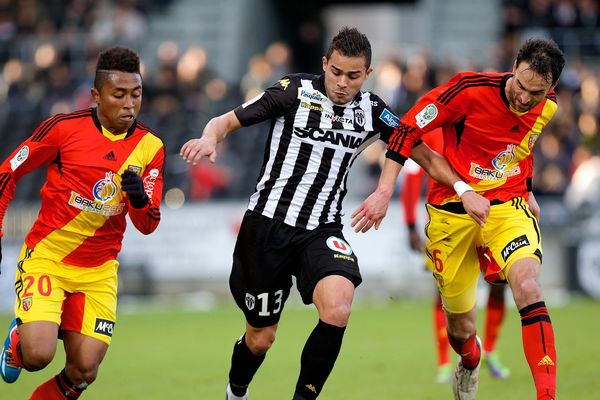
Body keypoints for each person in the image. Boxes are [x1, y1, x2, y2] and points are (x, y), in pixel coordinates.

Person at [180, 27, 488, 400]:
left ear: (367, 74)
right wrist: (209, 138)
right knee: (261, 339)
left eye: (353, 76)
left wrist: (464, 189)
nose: (342, 83)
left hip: (321, 228)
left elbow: (423, 155)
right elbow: (225, 122)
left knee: (339, 307)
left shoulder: (372, 110)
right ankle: (236, 391)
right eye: (336, 72)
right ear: (325, 64)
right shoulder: (293, 91)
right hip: (266, 227)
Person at [353, 38, 565, 400]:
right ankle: (470, 360)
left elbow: (522, 147)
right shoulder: (468, 90)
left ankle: (546, 395)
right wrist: (385, 190)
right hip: (451, 212)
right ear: (513, 66)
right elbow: (406, 130)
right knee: (460, 329)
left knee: (528, 287)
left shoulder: (547, 108)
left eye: (538, 93)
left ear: (551, 88)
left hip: (506, 207)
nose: (526, 99)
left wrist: (526, 187)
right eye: (522, 87)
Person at [0, 46, 165, 399]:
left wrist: (138, 199)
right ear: (96, 96)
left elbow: (149, 223)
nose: (129, 104)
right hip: (49, 258)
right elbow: (7, 173)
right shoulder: (62, 130)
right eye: (118, 94)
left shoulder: (151, 147)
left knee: (84, 371)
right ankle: (20, 340)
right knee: (38, 356)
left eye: (136, 94)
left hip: (99, 271)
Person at [401, 128, 510, 383]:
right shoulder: (431, 129)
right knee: (441, 293)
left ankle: (491, 351)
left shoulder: (487, 124)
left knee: (498, 285)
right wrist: (409, 225)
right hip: (447, 226)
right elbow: (413, 179)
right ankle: (443, 363)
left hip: (489, 220)